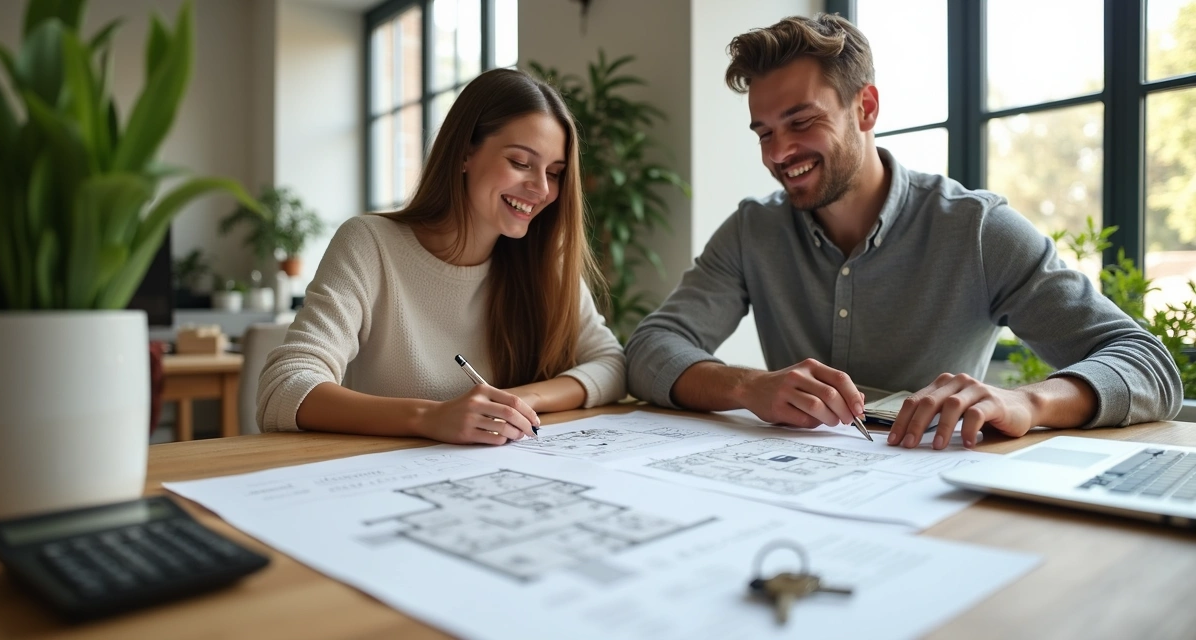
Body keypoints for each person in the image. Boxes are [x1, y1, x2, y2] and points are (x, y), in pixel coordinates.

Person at [625, 13, 1182, 451]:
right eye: (764, 132)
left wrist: (1026, 402)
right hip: (789, 488)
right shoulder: (754, 229)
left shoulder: (976, 229)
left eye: (802, 122)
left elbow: (1146, 363)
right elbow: (650, 348)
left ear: (865, 108)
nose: (778, 153)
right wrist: (748, 386)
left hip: (935, 499)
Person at [258, 68, 626, 444]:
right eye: (520, 162)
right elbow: (284, 387)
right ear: (465, 153)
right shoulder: (371, 244)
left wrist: (516, 402)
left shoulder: (546, 259)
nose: (542, 188)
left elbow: (611, 365)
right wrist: (429, 417)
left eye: (555, 172)